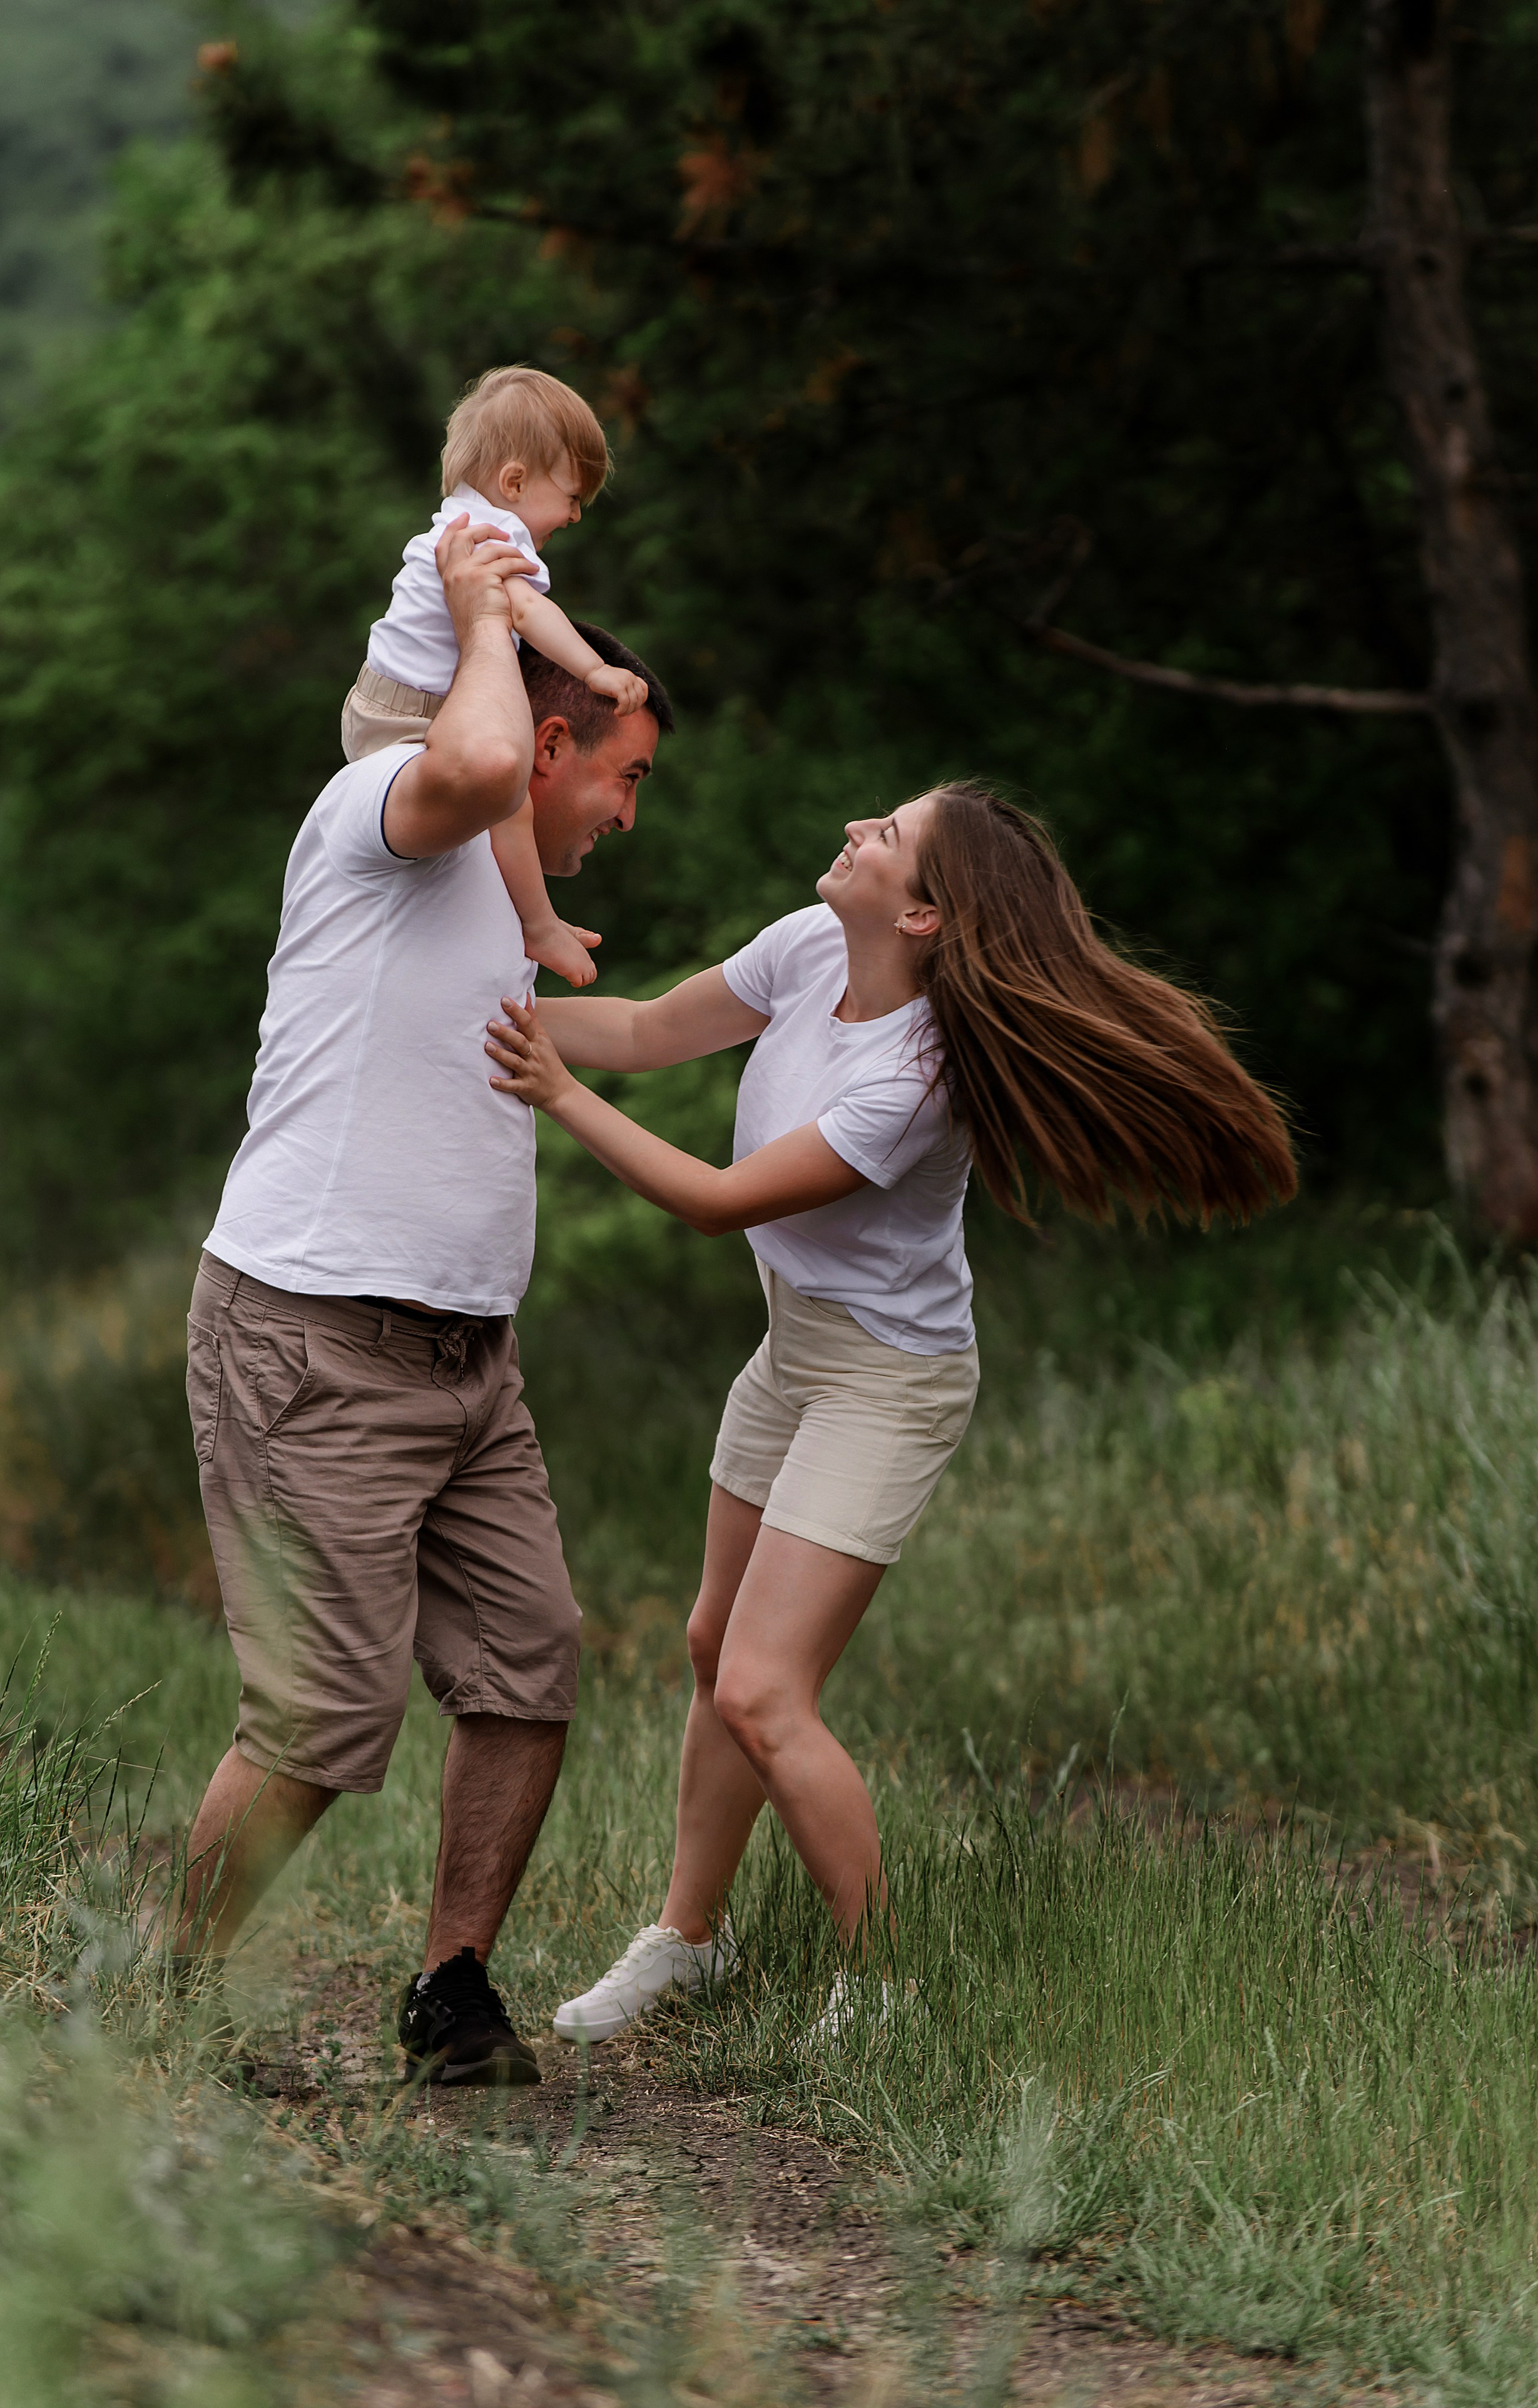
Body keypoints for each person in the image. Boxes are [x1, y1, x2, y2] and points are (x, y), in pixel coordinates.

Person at [482, 782, 1298, 2040]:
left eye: (892, 835)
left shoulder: (917, 1078)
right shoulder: (811, 945)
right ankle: (689, 1939)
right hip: (794, 1347)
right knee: (714, 1647)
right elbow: (643, 1029)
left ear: (922, 914)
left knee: (764, 1689)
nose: (861, 826)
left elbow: (717, 1201)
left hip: (887, 1379)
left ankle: (883, 1987)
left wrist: (554, 1092)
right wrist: (486, 1019)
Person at [180, 512, 674, 2087]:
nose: (628, 812)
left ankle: (451, 1992)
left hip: (471, 1360)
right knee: (322, 1719)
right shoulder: (390, 808)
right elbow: (472, 759)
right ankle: (158, 2009)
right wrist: (481, 620)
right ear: (547, 743)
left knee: (529, 1667)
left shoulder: (511, 891)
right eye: (624, 775)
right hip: (314, 1338)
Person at [344, 364, 649, 991]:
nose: (574, 516)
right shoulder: (496, 537)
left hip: (376, 702)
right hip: (416, 715)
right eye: (572, 497)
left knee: (468, 836)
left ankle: (497, 931)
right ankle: (537, 924)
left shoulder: (452, 523)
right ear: (514, 482)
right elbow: (529, 612)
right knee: (510, 799)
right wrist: (594, 669)